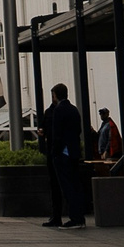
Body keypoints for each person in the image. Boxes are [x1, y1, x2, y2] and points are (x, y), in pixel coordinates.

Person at [40, 82, 86, 229]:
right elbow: (78, 130)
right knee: (75, 185)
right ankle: (80, 217)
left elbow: (57, 135)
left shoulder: (58, 110)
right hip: (73, 152)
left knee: (67, 187)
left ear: (55, 95)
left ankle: (75, 219)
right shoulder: (73, 109)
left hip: (62, 154)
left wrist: (54, 153)